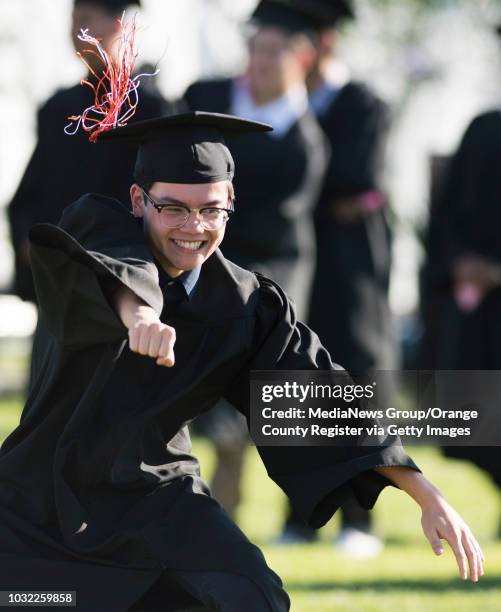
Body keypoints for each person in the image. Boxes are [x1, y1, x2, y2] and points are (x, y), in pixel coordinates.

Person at [0, 109, 485, 611]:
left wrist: (424, 492)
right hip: (43, 496)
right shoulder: (93, 227)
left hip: (155, 493)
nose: (193, 227)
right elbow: (109, 269)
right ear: (137, 201)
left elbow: (319, 396)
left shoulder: (244, 304)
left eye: (211, 209)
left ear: (230, 200)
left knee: (251, 597)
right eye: (172, 208)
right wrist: (140, 313)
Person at [184, 0, 329, 519]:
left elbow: (277, 220)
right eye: (255, 47)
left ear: (302, 61)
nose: (260, 61)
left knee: (242, 405)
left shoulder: (305, 138)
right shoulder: (207, 99)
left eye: (274, 51)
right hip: (195, 268)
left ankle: (222, 507)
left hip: (266, 276)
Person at [273, 0, 395, 554]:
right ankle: (300, 515)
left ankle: (359, 519)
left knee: (353, 384)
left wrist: (303, 189)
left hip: (349, 270)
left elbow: (354, 178)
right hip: (295, 262)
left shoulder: (361, 103)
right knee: (295, 383)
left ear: (322, 43)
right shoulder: (278, 108)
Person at [7, 0, 174, 305]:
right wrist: (31, 240)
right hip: (60, 276)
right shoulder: (59, 109)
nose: (74, 32)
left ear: (116, 27)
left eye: (85, 21)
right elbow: (32, 192)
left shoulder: (151, 109)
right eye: (72, 21)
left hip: (125, 277)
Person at [419, 108, 501, 536]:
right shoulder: (485, 127)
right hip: (479, 308)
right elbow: (448, 211)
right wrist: (458, 263)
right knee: (471, 422)